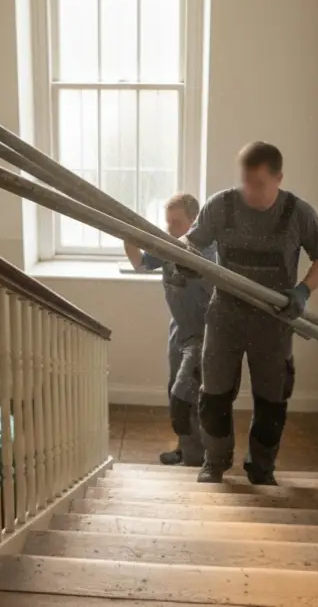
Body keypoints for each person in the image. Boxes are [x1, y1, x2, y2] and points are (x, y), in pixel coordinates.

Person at [183, 142, 318, 485]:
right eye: (245, 181)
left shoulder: (299, 213)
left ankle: (261, 467)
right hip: (225, 315)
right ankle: (215, 460)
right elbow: (192, 245)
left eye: (259, 183)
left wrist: (303, 290)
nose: (249, 190)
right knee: (214, 395)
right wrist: (186, 265)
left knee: (272, 399)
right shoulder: (220, 206)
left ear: (279, 178)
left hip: (274, 321)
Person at [124, 193, 217, 467]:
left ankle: (198, 459)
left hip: (204, 335)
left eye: (176, 223)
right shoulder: (168, 246)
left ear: (194, 222)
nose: (170, 230)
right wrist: (127, 233)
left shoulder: (210, 252)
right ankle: (186, 448)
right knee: (175, 393)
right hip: (178, 331)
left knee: (186, 397)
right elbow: (139, 263)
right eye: (168, 224)